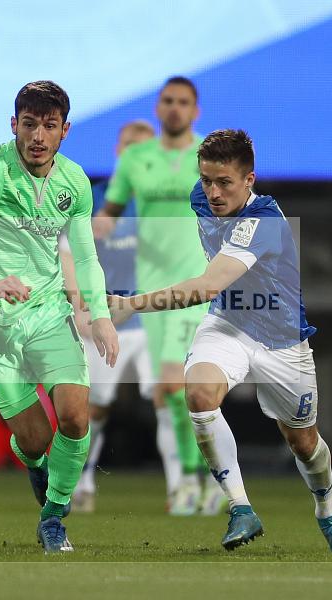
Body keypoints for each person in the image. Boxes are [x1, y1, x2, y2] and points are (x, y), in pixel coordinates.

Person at [108, 129, 332, 553]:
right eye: (206, 179)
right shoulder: (199, 197)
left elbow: (208, 285)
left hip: (282, 342)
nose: (212, 191)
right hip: (227, 326)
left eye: (224, 182)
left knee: (304, 442)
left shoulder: (262, 221)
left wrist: (132, 305)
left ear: (249, 180)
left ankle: (328, 511)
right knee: (200, 392)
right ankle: (241, 508)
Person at [0, 80, 119, 554]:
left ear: (65, 131)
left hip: (49, 311)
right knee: (36, 441)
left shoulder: (74, 182)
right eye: (29, 124)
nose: (38, 136)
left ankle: (53, 518)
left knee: (75, 418)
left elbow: (86, 255)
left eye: (49, 126)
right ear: (14, 125)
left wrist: (99, 315)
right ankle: (32, 459)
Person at [94, 76, 224, 516]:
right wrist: (95, 228)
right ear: (157, 107)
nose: (174, 109)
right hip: (151, 291)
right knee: (171, 390)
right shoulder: (135, 158)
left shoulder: (210, 154)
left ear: (195, 111)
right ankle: (196, 479)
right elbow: (110, 211)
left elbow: (233, 204)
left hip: (197, 283)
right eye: (167, 101)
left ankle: (202, 480)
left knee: (185, 384)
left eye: (183, 102)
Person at [60, 120, 181, 513]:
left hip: (153, 322)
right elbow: (68, 256)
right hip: (106, 318)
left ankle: (181, 488)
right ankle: (83, 483)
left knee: (170, 398)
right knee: (94, 406)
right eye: (129, 146)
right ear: (118, 151)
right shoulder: (93, 200)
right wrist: (84, 308)